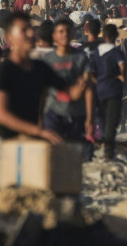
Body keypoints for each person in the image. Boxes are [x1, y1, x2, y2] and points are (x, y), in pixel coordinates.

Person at [0, 12, 87, 189]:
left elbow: (69, 93)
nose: (31, 34)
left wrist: (82, 85)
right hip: (4, 140)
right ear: (10, 38)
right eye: (23, 30)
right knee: (5, 194)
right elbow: (2, 115)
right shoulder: (2, 71)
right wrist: (40, 131)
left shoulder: (41, 68)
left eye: (31, 29)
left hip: (31, 140)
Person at [37, 18, 94, 160]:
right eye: (60, 31)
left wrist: (90, 117)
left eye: (68, 31)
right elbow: (42, 92)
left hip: (76, 113)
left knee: (73, 157)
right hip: (53, 113)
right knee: (53, 155)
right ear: (54, 35)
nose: (65, 34)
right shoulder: (47, 60)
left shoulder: (80, 58)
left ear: (73, 34)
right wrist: (39, 116)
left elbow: (88, 89)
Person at [93, 22, 126, 159]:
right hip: (113, 89)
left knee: (101, 119)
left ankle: (102, 142)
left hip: (99, 89)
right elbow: (122, 66)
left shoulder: (97, 52)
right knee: (112, 119)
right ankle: (108, 149)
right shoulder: (116, 52)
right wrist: (122, 76)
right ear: (115, 36)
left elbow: (91, 71)